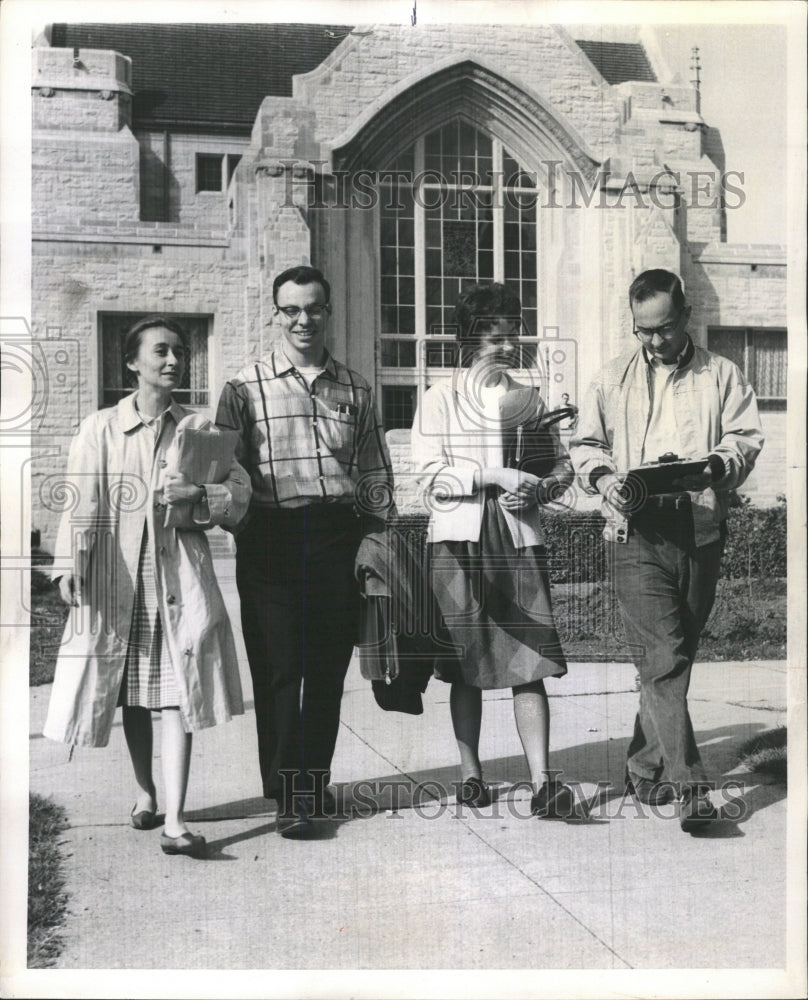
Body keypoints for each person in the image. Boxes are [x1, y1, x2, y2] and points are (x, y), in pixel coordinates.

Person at [44, 316, 251, 858]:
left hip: (177, 579)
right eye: (161, 351)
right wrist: (70, 564)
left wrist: (199, 493)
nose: (174, 361)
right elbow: (79, 499)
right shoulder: (101, 429)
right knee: (134, 696)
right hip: (121, 579)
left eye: (180, 352)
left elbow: (236, 494)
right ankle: (145, 792)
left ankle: (176, 822)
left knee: (178, 693)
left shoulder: (200, 429)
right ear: (132, 362)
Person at [569, 268, 764, 831]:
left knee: (675, 658)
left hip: (700, 526)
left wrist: (720, 464)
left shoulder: (723, 374)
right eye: (643, 331)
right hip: (635, 532)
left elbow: (744, 437)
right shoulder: (610, 379)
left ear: (685, 317)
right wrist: (604, 478)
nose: (654, 341)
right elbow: (586, 444)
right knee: (663, 657)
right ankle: (691, 788)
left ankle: (644, 764)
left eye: (664, 328)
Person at [215, 265, 393, 839]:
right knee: (278, 669)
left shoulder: (357, 389)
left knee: (324, 671)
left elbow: (374, 475)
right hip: (270, 538)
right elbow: (223, 472)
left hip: (336, 537)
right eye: (290, 309)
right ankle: (288, 793)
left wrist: (378, 539)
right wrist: (238, 526)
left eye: (313, 308)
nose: (302, 319)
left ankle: (312, 784)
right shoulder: (243, 389)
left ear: (328, 312)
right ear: (275, 315)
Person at [410, 282, 575, 817]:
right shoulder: (440, 397)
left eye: (512, 336)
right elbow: (428, 473)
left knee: (529, 661)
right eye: (492, 337)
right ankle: (470, 775)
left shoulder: (528, 401)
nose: (505, 347)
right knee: (465, 663)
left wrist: (542, 486)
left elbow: (560, 466)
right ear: (468, 341)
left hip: (517, 542)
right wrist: (493, 475)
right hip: (458, 541)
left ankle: (543, 782)